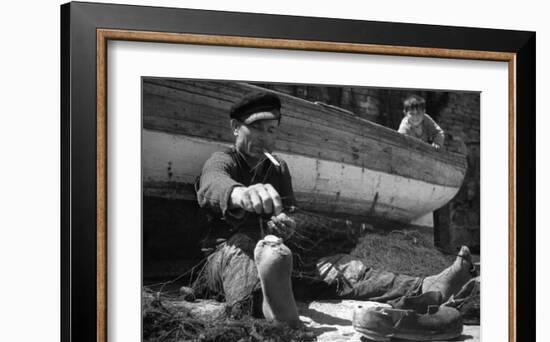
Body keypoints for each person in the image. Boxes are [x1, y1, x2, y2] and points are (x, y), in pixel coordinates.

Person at [195, 92, 473, 327]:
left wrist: (287, 225)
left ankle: (424, 287)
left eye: (271, 131)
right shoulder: (223, 160)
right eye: (255, 128)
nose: (265, 139)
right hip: (225, 256)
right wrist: (241, 193)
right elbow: (211, 184)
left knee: (342, 267)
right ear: (235, 127)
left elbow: (289, 213)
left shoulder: (278, 168)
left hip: (277, 257)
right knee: (245, 248)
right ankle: (270, 309)